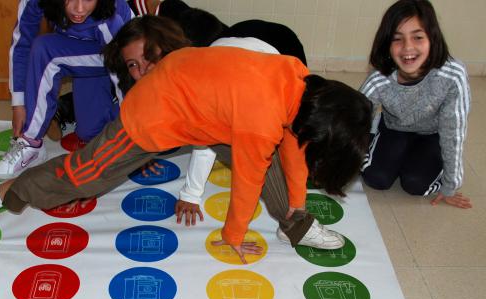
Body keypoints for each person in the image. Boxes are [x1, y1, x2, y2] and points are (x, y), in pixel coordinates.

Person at [0, 46, 372, 264]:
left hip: (206, 101)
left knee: (271, 163)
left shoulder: (300, 83)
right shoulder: (262, 119)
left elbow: (295, 150)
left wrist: (297, 205)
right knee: (83, 176)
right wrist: (233, 236)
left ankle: (294, 224)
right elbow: (247, 180)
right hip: (157, 111)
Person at [104, 16, 346, 251]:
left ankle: (296, 225)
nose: (143, 69)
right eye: (133, 65)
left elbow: (247, 160)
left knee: (279, 145)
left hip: (280, 43)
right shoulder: (173, 80)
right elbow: (201, 134)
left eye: (149, 58)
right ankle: (295, 217)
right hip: (232, 46)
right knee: (249, 138)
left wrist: (297, 202)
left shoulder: (259, 96)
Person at [0, 0, 133, 180]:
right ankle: (65, 107)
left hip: (119, 55)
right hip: (82, 52)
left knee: (46, 51)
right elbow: (22, 44)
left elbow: (123, 71)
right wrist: (19, 102)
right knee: (89, 133)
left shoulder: (111, 17)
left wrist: (134, 134)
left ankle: (31, 142)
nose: (79, 9)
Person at [359, 0, 471, 209]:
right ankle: (380, 139)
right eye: (397, 39)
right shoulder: (379, 78)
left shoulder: (452, 75)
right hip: (393, 128)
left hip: (432, 134)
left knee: (416, 184)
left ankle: (415, 160)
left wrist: (450, 185)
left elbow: (453, 131)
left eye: (418, 37)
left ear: (432, 38)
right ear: (387, 44)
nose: (408, 47)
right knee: (376, 178)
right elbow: (353, 123)